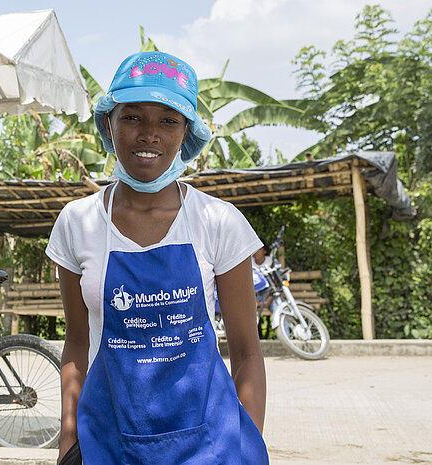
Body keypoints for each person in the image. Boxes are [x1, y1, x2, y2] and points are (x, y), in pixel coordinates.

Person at [46, 51, 269, 465]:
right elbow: (77, 344)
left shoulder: (217, 222)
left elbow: (247, 352)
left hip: (209, 446)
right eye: (132, 117)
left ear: (187, 132)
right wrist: (69, 442)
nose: (150, 134)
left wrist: (245, 443)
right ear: (107, 124)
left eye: (168, 120)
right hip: (110, 444)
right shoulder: (78, 222)